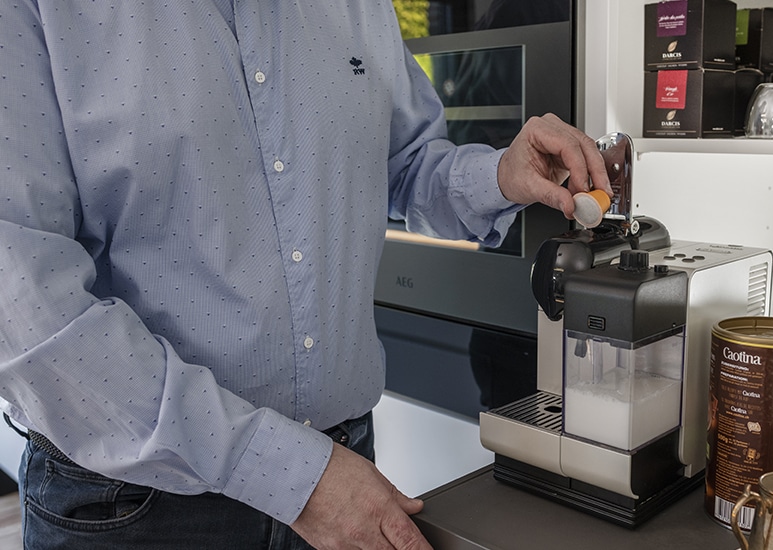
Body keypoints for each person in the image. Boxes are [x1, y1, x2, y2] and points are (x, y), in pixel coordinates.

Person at [0, 2, 610, 549]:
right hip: (138, 507)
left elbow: (404, 163)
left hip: (345, 468)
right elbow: (26, 307)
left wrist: (501, 176)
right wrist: (292, 476)